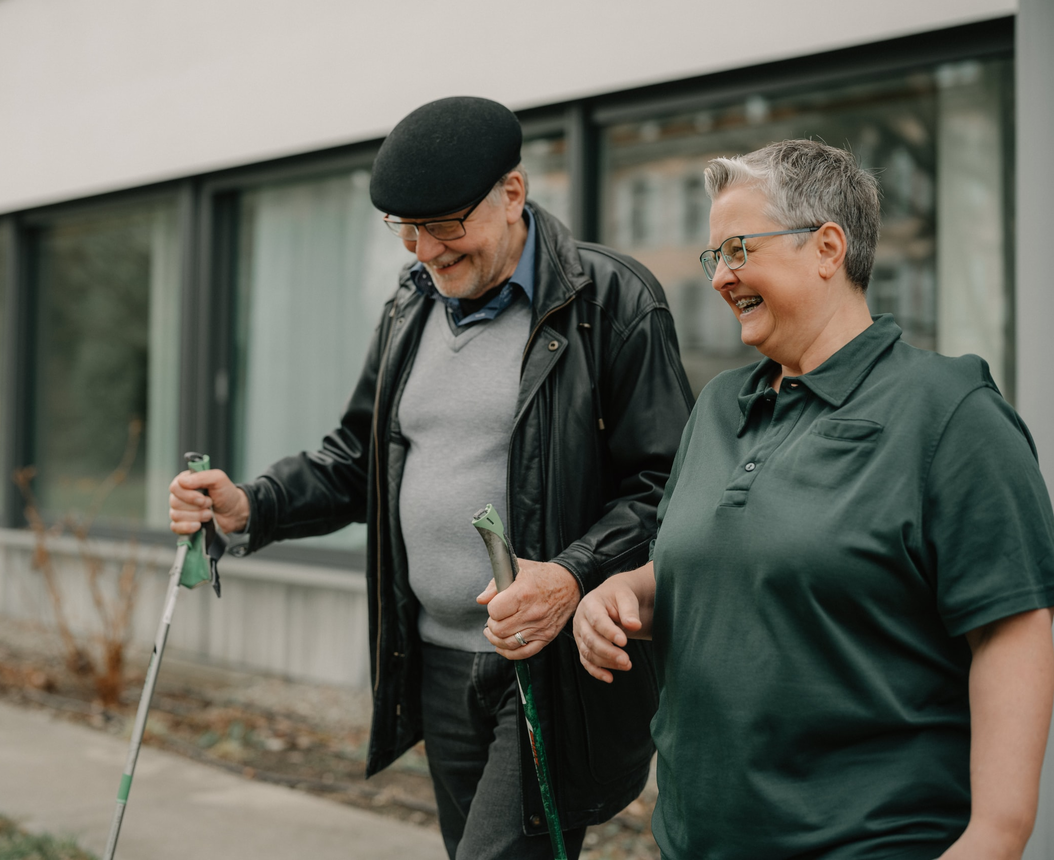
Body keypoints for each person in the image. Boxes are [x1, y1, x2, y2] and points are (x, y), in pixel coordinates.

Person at [169, 96, 694, 860]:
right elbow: (358, 458)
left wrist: (573, 577)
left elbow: (666, 485)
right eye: (407, 232)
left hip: (546, 670)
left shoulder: (611, 302)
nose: (427, 253)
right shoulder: (409, 307)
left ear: (512, 194)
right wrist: (252, 504)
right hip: (438, 665)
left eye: (447, 226)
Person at [573, 139, 1054, 860]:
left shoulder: (949, 413)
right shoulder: (717, 406)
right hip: (692, 843)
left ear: (828, 247)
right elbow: (708, 569)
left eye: (737, 249)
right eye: (715, 257)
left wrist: (996, 836)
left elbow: (1009, 633)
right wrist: (621, 594)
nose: (720, 277)